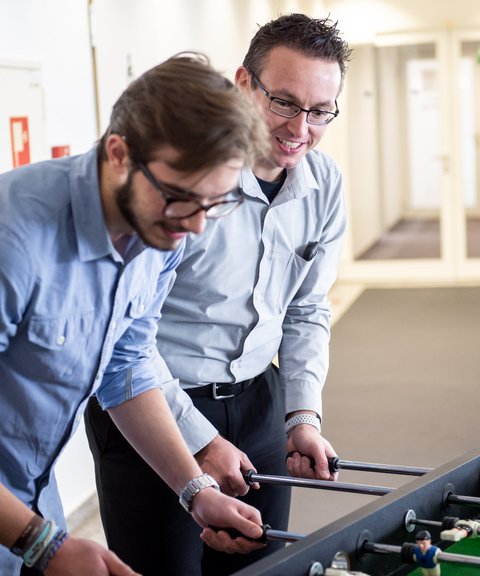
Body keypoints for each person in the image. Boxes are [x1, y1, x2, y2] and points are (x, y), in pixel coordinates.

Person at [86, 13, 352, 576]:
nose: (299, 128)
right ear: (243, 84)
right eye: (284, 102)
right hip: (152, 407)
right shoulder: (179, 184)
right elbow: (126, 341)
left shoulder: (324, 185)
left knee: (260, 565)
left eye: (320, 111)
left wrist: (302, 415)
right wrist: (200, 441)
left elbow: (306, 309)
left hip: (259, 401)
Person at [0, 52, 271, 575]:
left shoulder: (159, 231)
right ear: (119, 153)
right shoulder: (15, 238)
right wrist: (43, 546)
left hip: (30, 501)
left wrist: (193, 488)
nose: (195, 228)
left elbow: (126, 368)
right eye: (180, 198)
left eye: (214, 205)